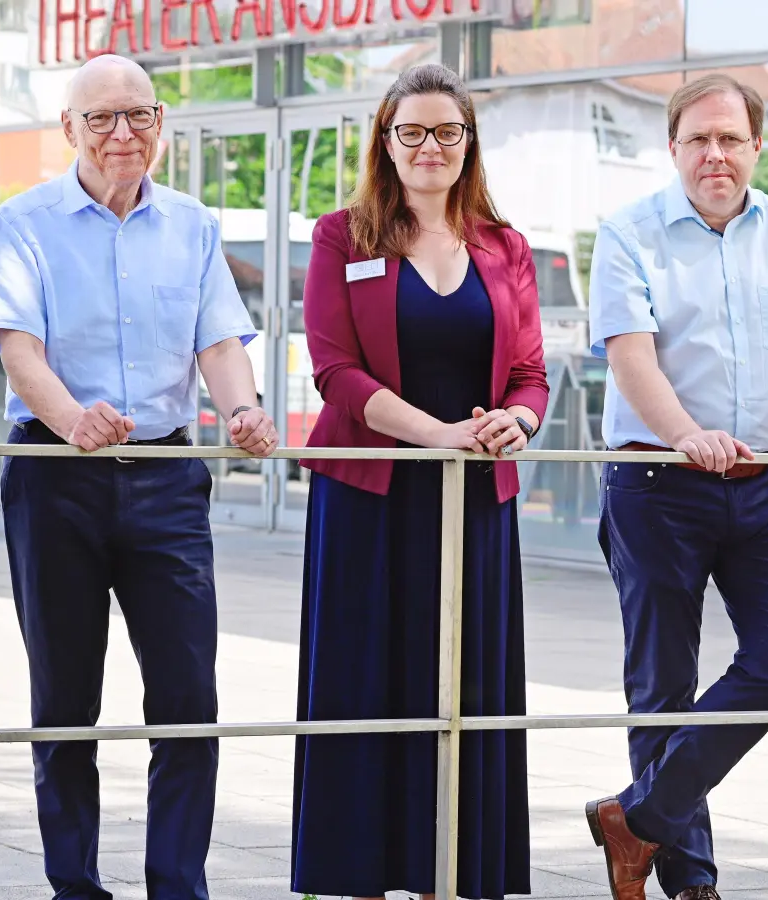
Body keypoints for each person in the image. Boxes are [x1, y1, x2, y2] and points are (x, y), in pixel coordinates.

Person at [0, 54, 276, 900]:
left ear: (161, 125)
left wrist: (242, 410)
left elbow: (218, 343)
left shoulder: (193, 225)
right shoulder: (23, 221)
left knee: (188, 699)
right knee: (65, 701)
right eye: (100, 119)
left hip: (169, 478)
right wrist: (72, 420)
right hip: (55, 475)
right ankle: (76, 885)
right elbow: (15, 349)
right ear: (68, 130)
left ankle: (178, 883)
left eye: (138, 116)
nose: (121, 134)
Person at [581, 73, 768, 900]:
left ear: (757, 146)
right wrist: (685, 433)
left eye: (731, 139)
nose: (716, 154)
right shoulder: (627, 231)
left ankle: (635, 821)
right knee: (664, 685)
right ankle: (689, 880)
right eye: (698, 139)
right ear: (672, 148)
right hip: (657, 477)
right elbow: (631, 353)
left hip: (767, 483)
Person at [291, 63, 547, 900]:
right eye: (412, 132)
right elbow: (334, 371)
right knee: (368, 687)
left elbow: (532, 375)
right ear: (386, 141)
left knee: (463, 687)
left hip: (473, 500)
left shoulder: (507, 247)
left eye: (447, 132)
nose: (429, 147)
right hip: (370, 496)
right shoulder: (342, 236)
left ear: (468, 143)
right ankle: (360, 878)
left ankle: (453, 877)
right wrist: (433, 434)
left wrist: (522, 422)